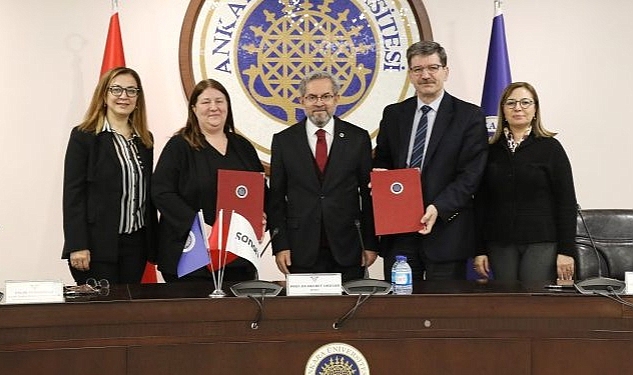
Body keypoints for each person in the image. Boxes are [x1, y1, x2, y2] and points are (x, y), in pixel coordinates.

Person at [373, 41, 489, 281]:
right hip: (399, 234)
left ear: (445, 71)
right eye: (418, 69)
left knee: (443, 314)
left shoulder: (469, 116)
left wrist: (439, 207)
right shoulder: (393, 114)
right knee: (399, 312)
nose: (425, 75)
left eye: (433, 67)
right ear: (410, 74)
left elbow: (471, 175)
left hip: (447, 232)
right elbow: (383, 160)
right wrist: (379, 178)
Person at [267, 71, 378, 282]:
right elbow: (276, 199)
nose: (319, 103)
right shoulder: (284, 141)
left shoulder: (358, 138)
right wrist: (280, 245)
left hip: (349, 247)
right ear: (302, 101)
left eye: (326, 96)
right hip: (301, 249)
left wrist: (370, 243)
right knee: (306, 314)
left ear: (336, 99)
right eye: (312, 97)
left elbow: (369, 195)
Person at [152, 78, 265, 282]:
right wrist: (199, 224)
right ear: (194, 108)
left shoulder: (243, 147)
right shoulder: (179, 146)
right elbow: (162, 192)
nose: (214, 108)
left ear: (228, 107)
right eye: (206, 102)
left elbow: (260, 190)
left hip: (237, 256)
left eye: (219, 101)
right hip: (190, 254)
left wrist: (260, 215)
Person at [473, 82, 577, 281]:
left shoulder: (551, 148)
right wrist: (479, 249)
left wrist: (566, 250)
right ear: (503, 110)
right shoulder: (490, 150)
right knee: (506, 304)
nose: (518, 108)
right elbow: (480, 203)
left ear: (535, 109)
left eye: (525, 102)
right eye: (510, 103)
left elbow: (566, 203)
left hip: (542, 242)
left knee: (535, 303)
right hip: (499, 242)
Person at [62, 67, 157, 285]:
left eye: (131, 91)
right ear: (104, 95)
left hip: (136, 246)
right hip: (96, 246)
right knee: (100, 314)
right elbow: (73, 195)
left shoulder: (145, 140)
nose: (124, 96)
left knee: (128, 313)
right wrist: (77, 244)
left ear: (138, 98)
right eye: (117, 89)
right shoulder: (84, 137)